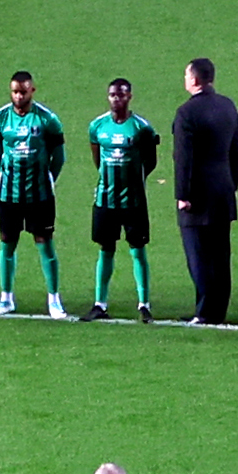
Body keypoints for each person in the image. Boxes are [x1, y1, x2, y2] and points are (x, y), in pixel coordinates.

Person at [0, 68, 67, 315]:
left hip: (40, 195)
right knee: (7, 243)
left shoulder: (47, 120)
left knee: (45, 243)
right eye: (15, 92)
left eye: (24, 92)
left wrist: (48, 178)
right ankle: (6, 299)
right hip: (8, 194)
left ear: (32, 91)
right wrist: (7, 172)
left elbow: (59, 156)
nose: (19, 96)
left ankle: (54, 299)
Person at [169, 55, 238, 325]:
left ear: (194, 79)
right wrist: (232, 184)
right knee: (220, 254)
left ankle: (204, 311)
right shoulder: (227, 106)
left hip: (198, 196)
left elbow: (183, 158)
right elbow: (237, 150)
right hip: (223, 191)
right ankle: (218, 310)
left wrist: (183, 194)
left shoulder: (186, 113)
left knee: (198, 255)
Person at [82, 74, 163, 318]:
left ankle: (144, 304)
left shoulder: (142, 128)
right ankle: (100, 303)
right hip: (105, 200)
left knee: (137, 249)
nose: (116, 99)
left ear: (129, 97)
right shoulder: (97, 126)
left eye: (121, 94)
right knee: (105, 249)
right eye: (112, 95)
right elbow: (97, 157)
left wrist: (135, 179)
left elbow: (151, 161)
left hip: (134, 201)